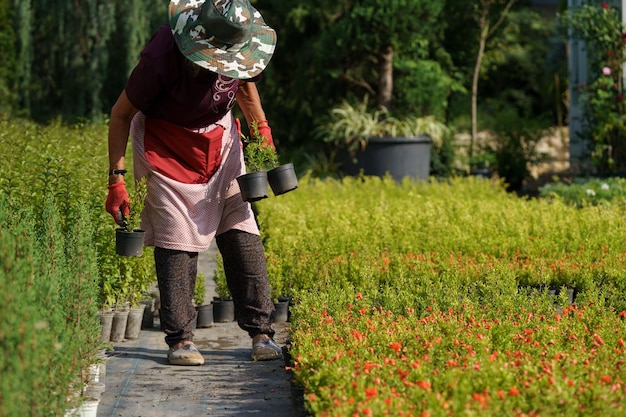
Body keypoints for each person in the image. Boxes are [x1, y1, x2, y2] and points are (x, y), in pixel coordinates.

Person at [105, 0, 282, 365]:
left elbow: (245, 87)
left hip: (220, 140)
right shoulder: (161, 57)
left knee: (240, 227)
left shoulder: (238, 47)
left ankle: (262, 333)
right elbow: (121, 115)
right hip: (164, 146)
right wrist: (116, 180)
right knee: (175, 236)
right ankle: (181, 340)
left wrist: (261, 129)